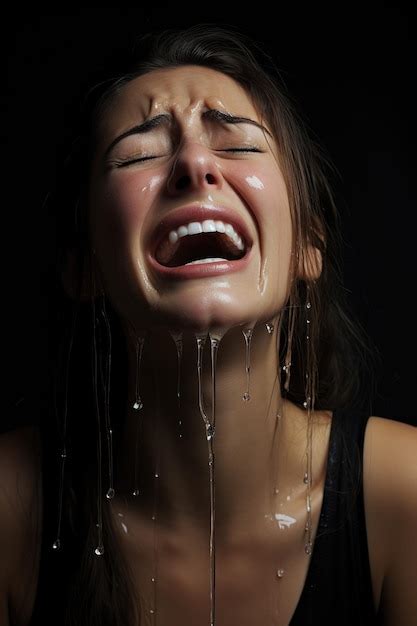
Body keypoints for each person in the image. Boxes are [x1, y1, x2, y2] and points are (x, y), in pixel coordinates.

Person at [1, 23, 416, 626]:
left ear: (306, 246)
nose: (194, 162)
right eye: (139, 152)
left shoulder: (402, 493)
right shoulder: (13, 510)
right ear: (85, 266)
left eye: (240, 145)